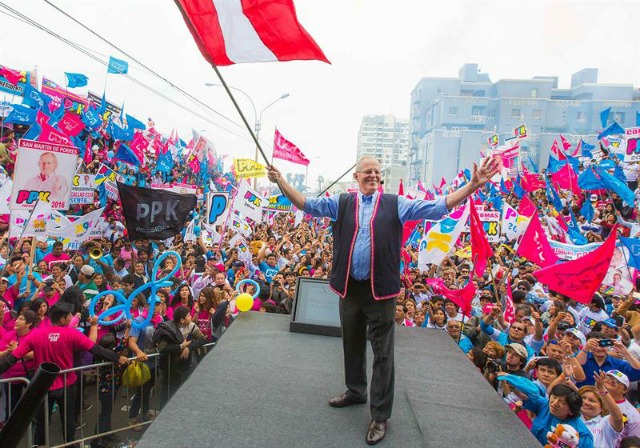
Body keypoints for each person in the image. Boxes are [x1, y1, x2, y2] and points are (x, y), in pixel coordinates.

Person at [267, 154, 499, 445]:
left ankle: (379, 415)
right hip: (350, 288)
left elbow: (438, 207)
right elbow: (305, 202)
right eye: (367, 172)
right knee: (351, 343)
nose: (373, 176)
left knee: (383, 354)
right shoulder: (341, 203)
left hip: (381, 292)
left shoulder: (396, 204)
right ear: (356, 176)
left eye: (377, 172)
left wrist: (472, 186)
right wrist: (281, 182)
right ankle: (355, 391)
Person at [0, 302, 128, 446]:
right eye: (70, 316)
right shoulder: (72, 333)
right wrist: (118, 358)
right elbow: (95, 349)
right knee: (68, 421)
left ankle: (39, 445)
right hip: (67, 384)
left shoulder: (36, 335)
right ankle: (70, 445)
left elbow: (11, 359)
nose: (72, 318)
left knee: (41, 422)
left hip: (42, 386)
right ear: (62, 319)